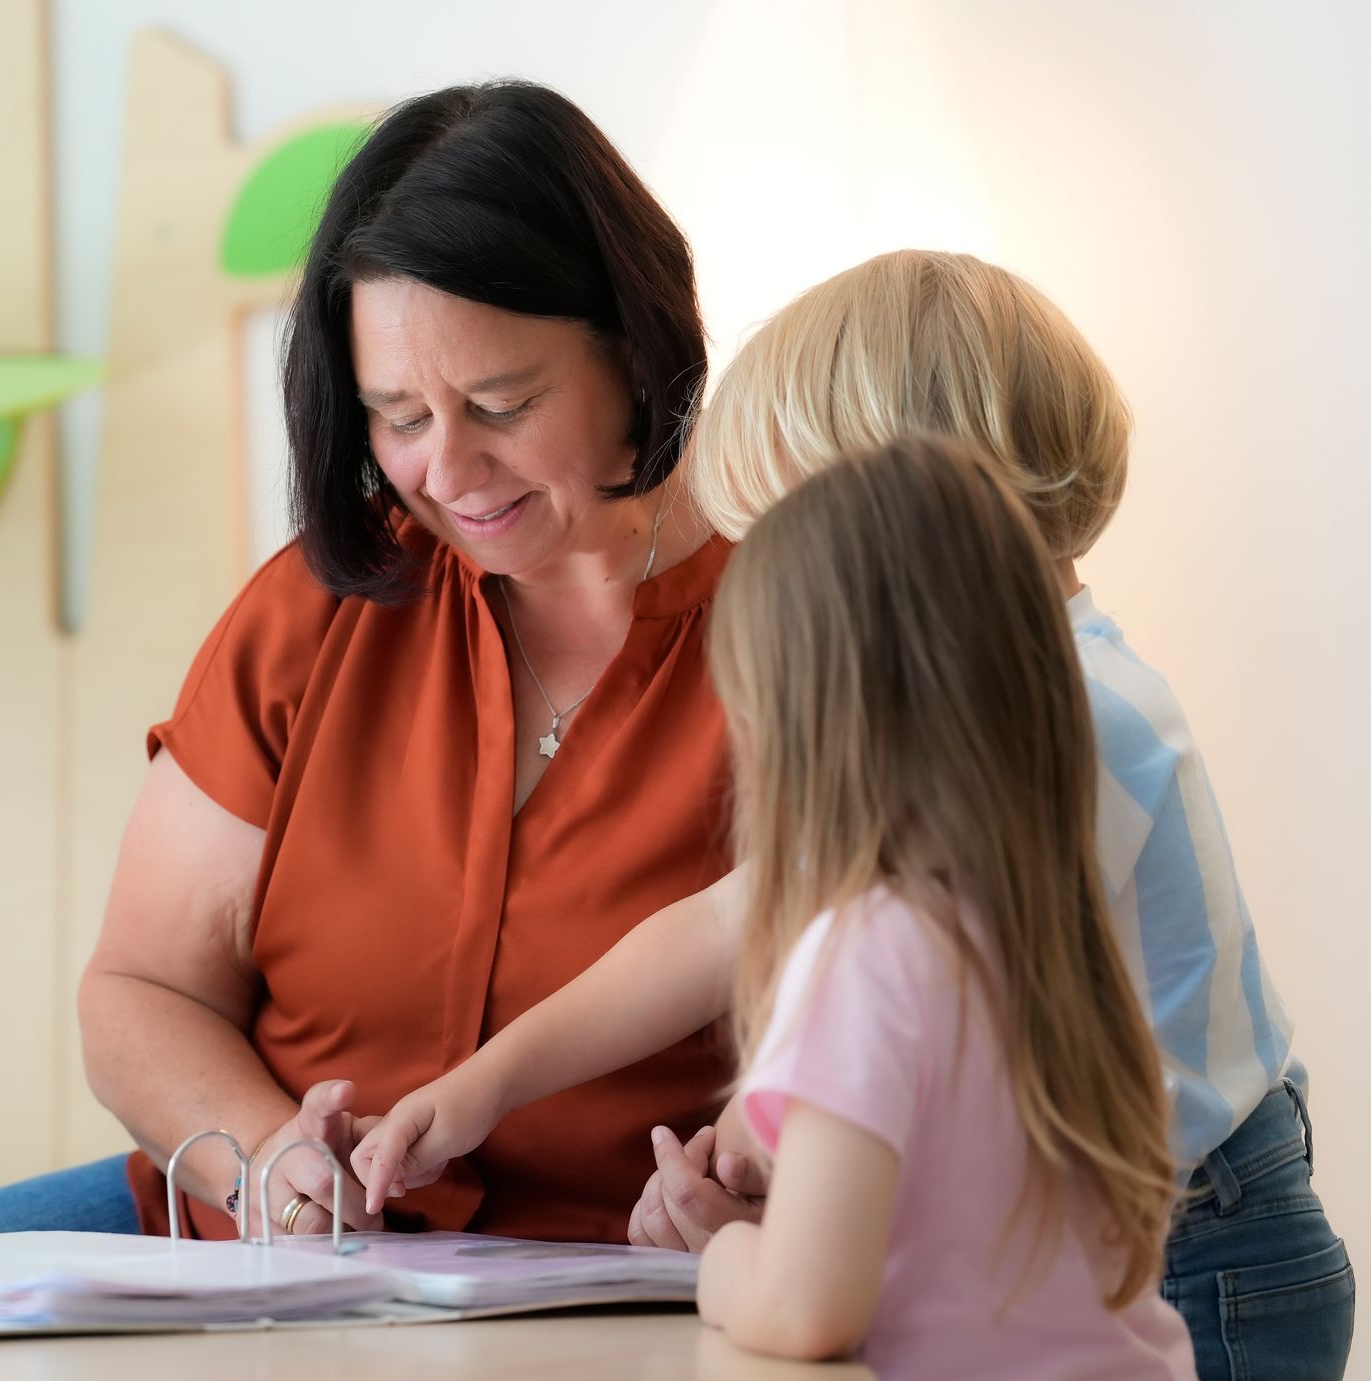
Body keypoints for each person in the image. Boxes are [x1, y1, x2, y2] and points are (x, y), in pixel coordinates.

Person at [357, 250, 1352, 1379]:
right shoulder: (1002, 700)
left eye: (791, 546)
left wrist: (787, 1128)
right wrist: (481, 1085)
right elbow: (733, 919)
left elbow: (921, 972)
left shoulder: (1066, 718)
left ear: (915, 520)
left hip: (1198, 1242)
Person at [0, 79, 742, 1244]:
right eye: (398, 417)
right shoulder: (323, 602)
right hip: (236, 1241)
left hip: (597, 1277)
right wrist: (268, 1163)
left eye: (500, 403)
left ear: (635, 344)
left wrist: (751, 1187)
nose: (448, 471)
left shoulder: (803, 631)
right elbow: (143, 990)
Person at [703, 435, 1194, 1373]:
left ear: (807, 732)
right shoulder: (1053, 937)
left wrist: (728, 1262)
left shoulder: (867, 950)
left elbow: (807, 1309)